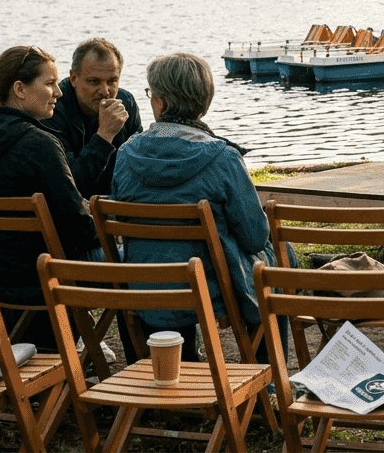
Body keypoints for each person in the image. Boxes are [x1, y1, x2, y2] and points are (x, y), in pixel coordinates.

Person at [110, 52, 288, 361]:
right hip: (209, 289)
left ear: (162, 101)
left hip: (144, 286)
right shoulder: (222, 157)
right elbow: (256, 238)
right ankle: (269, 374)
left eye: (152, 94)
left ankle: (180, 363)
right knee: (280, 259)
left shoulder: (125, 154)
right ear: (204, 100)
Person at [0, 46, 101, 315]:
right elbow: (77, 228)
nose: (59, 92)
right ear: (20, 89)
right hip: (44, 278)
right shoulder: (39, 143)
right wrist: (106, 223)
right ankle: (155, 352)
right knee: (137, 257)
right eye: (50, 83)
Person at [39, 37, 143, 199]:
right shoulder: (53, 108)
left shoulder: (126, 102)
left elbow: (138, 167)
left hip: (115, 205)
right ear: (74, 78)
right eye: (94, 81)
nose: (105, 91)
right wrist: (104, 136)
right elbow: (70, 185)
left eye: (112, 81)